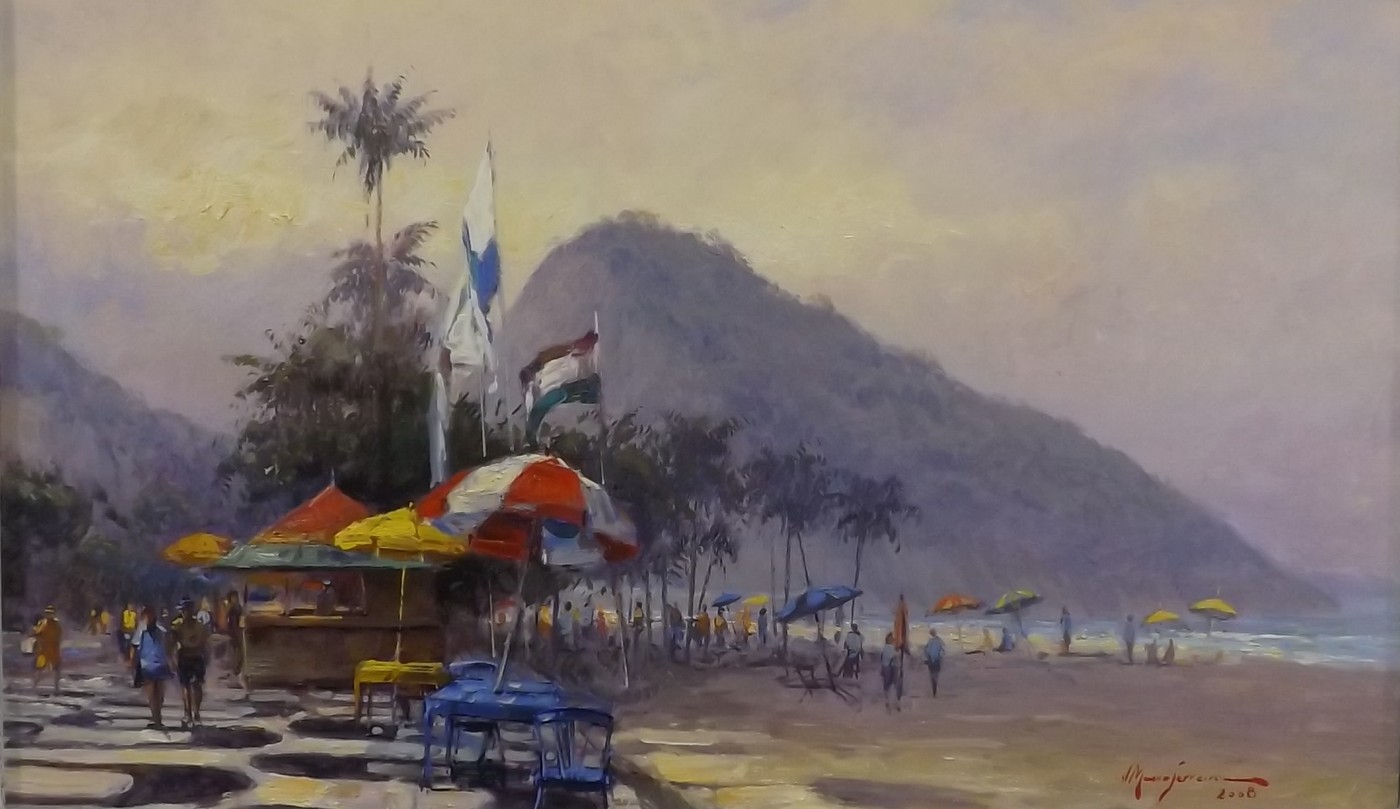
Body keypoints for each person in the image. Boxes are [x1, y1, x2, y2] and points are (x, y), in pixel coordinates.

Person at [130, 606, 171, 729]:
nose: (148, 618)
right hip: (147, 664)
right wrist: (132, 661)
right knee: (151, 693)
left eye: (151, 615)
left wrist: (171, 659)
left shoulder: (161, 630)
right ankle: (156, 718)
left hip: (161, 664)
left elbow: (168, 645)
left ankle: (158, 715)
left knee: (160, 694)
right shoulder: (141, 630)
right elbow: (134, 646)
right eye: (146, 616)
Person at [171, 598, 210, 727]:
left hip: (197, 656)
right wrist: (173, 657)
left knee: (197, 685)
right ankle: (187, 713)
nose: (184, 613)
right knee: (185, 686)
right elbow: (172, 641)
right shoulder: (177, 625)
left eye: (186, 610)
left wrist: (206, 656)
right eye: (182, 610)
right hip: (184, 657)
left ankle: (196, 712)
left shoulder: (200, 625)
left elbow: (205, 643)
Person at [31, 606, 63, 694]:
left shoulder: (57, 624)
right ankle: (34, 686)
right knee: (39, 668)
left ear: (54, 614)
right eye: (47, 613)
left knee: (56, 669)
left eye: (51, 613)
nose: (49, 615)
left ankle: (57, 688)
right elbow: (36, 633)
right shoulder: (42, 623)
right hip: (43, 649)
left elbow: (59, 636)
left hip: (54, 649)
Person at [224, 591, 246, 688]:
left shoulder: (237, 607)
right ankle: (234, 675)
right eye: (234, 597)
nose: (235, 599)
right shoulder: (232, 608)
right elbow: (230, 621)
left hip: (238, 632)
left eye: (236, 597)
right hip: (234, 633)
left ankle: (237, 675)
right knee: (235, 654)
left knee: (239, 654)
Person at [880, 632, 901, 712]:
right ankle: (889, 701)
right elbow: (892, 656)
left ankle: (891, 700)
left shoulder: (888, 648)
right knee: (890, 684)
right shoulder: (888, 648)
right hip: (889, 667)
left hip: (890, 667)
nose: (892, 639)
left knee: (890, 684)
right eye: (891, 638)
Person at [925, 628, 946, 697]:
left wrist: (927, 657)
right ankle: (935, 687)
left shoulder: (930, 641)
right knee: (936, 674)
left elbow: (927, 650)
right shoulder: (939, 640)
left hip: (931, 660)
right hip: (937, 660)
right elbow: (943, 650)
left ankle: (934, 689)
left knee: (932, 675)